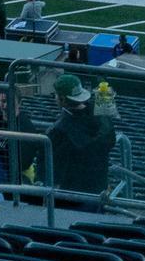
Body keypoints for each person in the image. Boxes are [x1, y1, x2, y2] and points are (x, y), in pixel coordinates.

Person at [47, 74, 114, 202]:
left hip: (72, 195)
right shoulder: (101, 116)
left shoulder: (59, 130)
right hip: (99, 187)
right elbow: (111, 140)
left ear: (62, 99)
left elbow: (56, 169)